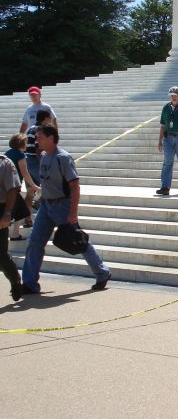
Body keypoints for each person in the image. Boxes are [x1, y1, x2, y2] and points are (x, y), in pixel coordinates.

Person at [21, 125, 111, 294]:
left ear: (51, 138)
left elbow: (75, 186)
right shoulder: (44, 156)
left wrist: (73, 212)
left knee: (77, 240)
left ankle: (102, 272)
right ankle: (29, 283)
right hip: (46, 206)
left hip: (62, 205)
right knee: (35, 242)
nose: (36, 140)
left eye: (40, 137)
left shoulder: (63, 158)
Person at [5, 134, 38, 241]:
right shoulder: (20, 155)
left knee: (18, 210)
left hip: (5, 187)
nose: (27, 144)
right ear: (21, 143)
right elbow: (25, 172)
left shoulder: (7, 153)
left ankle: (14, 234)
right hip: (13, 188)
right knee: (20, 210)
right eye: (26, 142)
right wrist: (34, 186)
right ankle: (14, 234)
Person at [23, 109, 53, 227]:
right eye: (49, 118)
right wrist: (43, 164)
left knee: (30, 191)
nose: (50, 120)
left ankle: (28, 220)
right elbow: (38, 149)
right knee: (48, 186)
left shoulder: (31, 128)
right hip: (34, 161)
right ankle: (38, 203)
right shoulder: (39, 130)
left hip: (27, 160)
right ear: (45, 119)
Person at [0, 153, 24, 301]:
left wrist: (7, 214)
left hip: (1, 209)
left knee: (0, 254)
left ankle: (14, 279)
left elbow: (13, 189)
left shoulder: (4, 163)